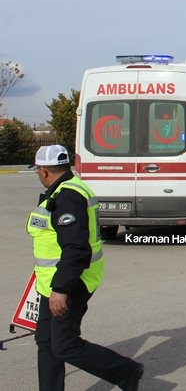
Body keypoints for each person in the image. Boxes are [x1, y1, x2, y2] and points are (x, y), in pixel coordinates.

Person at [26, 145, 144, 390]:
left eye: (38, 170)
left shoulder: (67, 196)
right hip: (52, 281)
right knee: (47, 342)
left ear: (45, 171)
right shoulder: (64, 189)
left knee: (64, 345)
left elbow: (76, 248)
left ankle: (126, 372)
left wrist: (60, 289)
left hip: (69, 283)